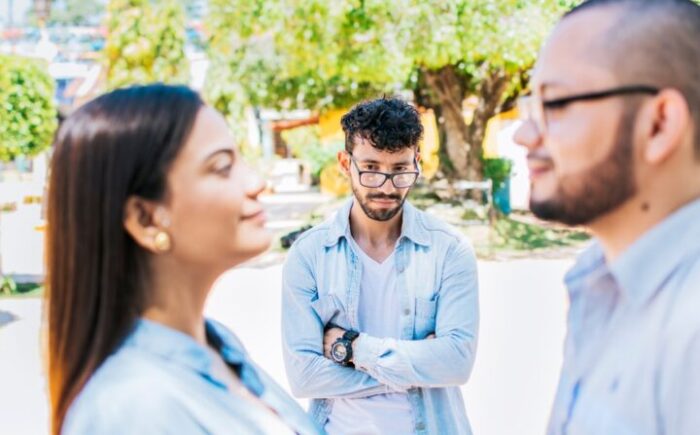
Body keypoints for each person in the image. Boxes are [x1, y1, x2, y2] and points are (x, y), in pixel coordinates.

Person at [45, 84, 322, 435]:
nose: (256, 181)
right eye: (221, 167)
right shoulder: (132, 407)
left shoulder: (218, 344)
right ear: (146, 219)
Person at [513, 0, 700, 433]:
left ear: (658, 125)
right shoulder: (596, 278)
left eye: (555, 104)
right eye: (530, 106)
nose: (525, 134)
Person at [281, 97, 479, 434]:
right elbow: (305, 377)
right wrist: (416, 369)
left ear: (417, 163)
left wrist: (353, 348)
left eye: (400, 170)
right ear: (345, 163)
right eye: (371, 168)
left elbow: (456, 363)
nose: (386, 187)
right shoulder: (309, 254)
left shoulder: (449, 250)